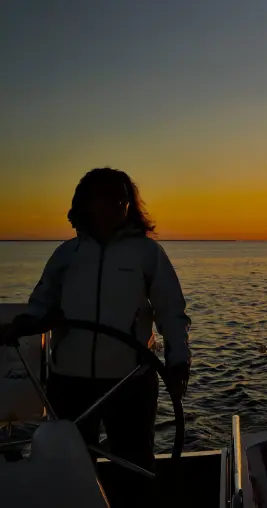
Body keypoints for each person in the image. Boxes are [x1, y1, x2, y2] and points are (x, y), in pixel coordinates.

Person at [0, 167, 191, 508]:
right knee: (68, 468)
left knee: (134, 468)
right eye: (105, 197)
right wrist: (25, 325)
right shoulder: (67, 255)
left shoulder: (148, 255)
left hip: (130, 383)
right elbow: (42, 302)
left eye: (121, 198)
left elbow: (171, 313)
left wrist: (178, 364)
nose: (116, 204)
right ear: (85, 203)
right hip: (69, 382)